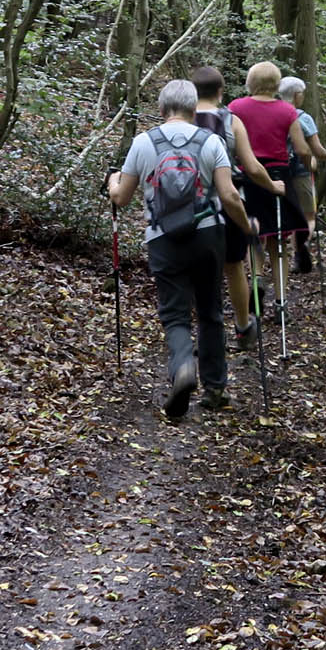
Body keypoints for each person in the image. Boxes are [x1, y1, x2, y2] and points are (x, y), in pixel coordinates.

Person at [107, 78, 253, 420]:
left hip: (162, 237)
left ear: (161, 109)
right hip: (208, 235)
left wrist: (113, 181)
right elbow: (229, 195)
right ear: (193, 109)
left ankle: (184, 365)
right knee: (210, 310)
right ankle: (215, 389)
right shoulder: (212, 140)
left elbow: (122, 197)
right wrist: (248, 227)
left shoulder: (143, 142)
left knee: (174, 313)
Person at [191, 65, 281, 348]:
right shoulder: (230, 120)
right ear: (221, 92)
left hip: (190, 204)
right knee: (234, 266)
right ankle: (243, 327)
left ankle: (202, 330)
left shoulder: (181, 119)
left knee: (198, 268)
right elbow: (252, 167)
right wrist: (273, 186)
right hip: (228, 201)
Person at [228, 62, 306, 326]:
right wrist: (310, 161)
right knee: (279, 240)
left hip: (247, 175)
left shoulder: (236, 107)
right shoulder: (287, 110)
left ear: (250, 82)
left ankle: (257, 278)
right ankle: (281, 300)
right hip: (278, 176)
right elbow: (300, 148)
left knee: (254, 233)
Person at [277, 75, 326, 274]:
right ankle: (300, 249)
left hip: (277, 173)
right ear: (296, 95)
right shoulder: (303, 117)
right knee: (308, 215)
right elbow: (317, 149)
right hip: (301, 171)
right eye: (302, 93)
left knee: (284, 216)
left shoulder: (273, 114)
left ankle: (286, 256)